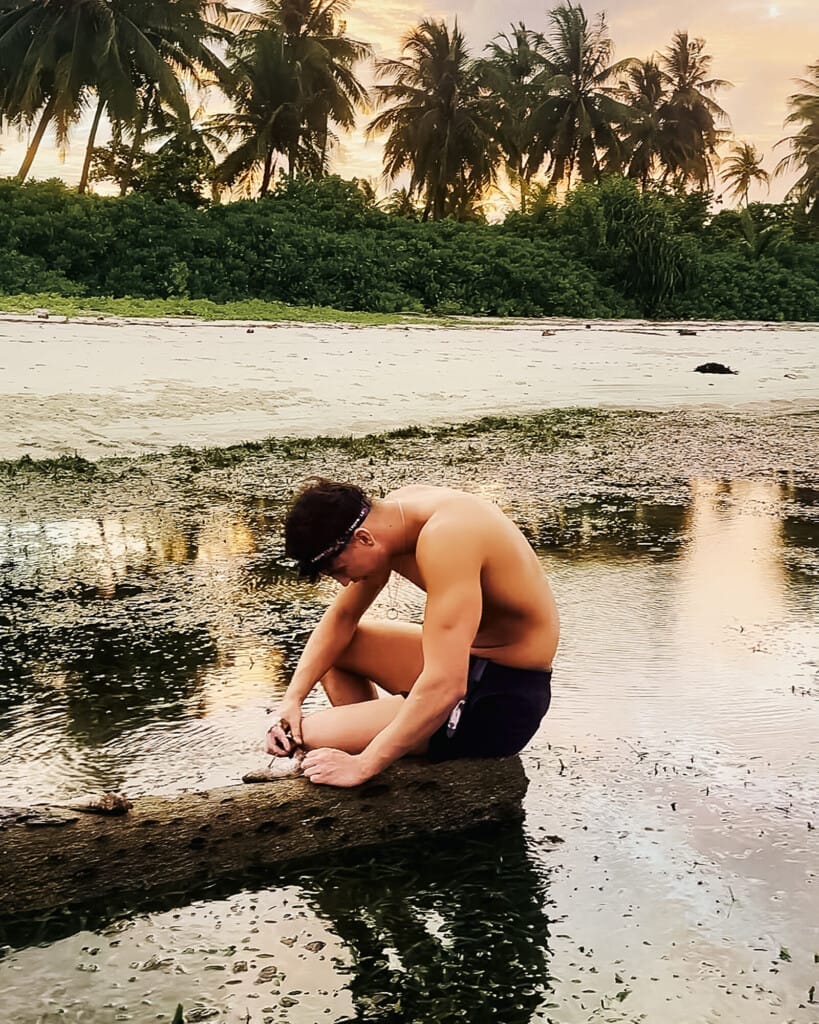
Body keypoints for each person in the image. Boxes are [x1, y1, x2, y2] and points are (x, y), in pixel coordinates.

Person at [266, 479, 559, 788]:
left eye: (339, 569)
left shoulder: (448, 538)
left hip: (500, 700)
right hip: (472, 664)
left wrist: (362, 766)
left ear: (363, 538)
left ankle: (374, 750)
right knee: (338, 649)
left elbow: (447, 685)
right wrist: (292, 700)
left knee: (308, 736)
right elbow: (342, 618)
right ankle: (384, 741)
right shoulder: (394, 515)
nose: (343, 582)